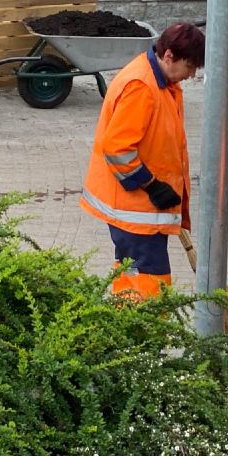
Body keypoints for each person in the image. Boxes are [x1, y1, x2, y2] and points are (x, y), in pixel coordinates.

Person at [80, 22, 205, 298]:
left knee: (131, 279)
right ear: (169, 55)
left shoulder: (161, 82)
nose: (192, 74)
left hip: (139, 212)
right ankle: (145, 338)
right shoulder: (141, 87)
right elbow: (117, 149)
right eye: (189, 66)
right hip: (135, 212)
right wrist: (152, 186)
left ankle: (127, 332)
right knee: (151, 287)